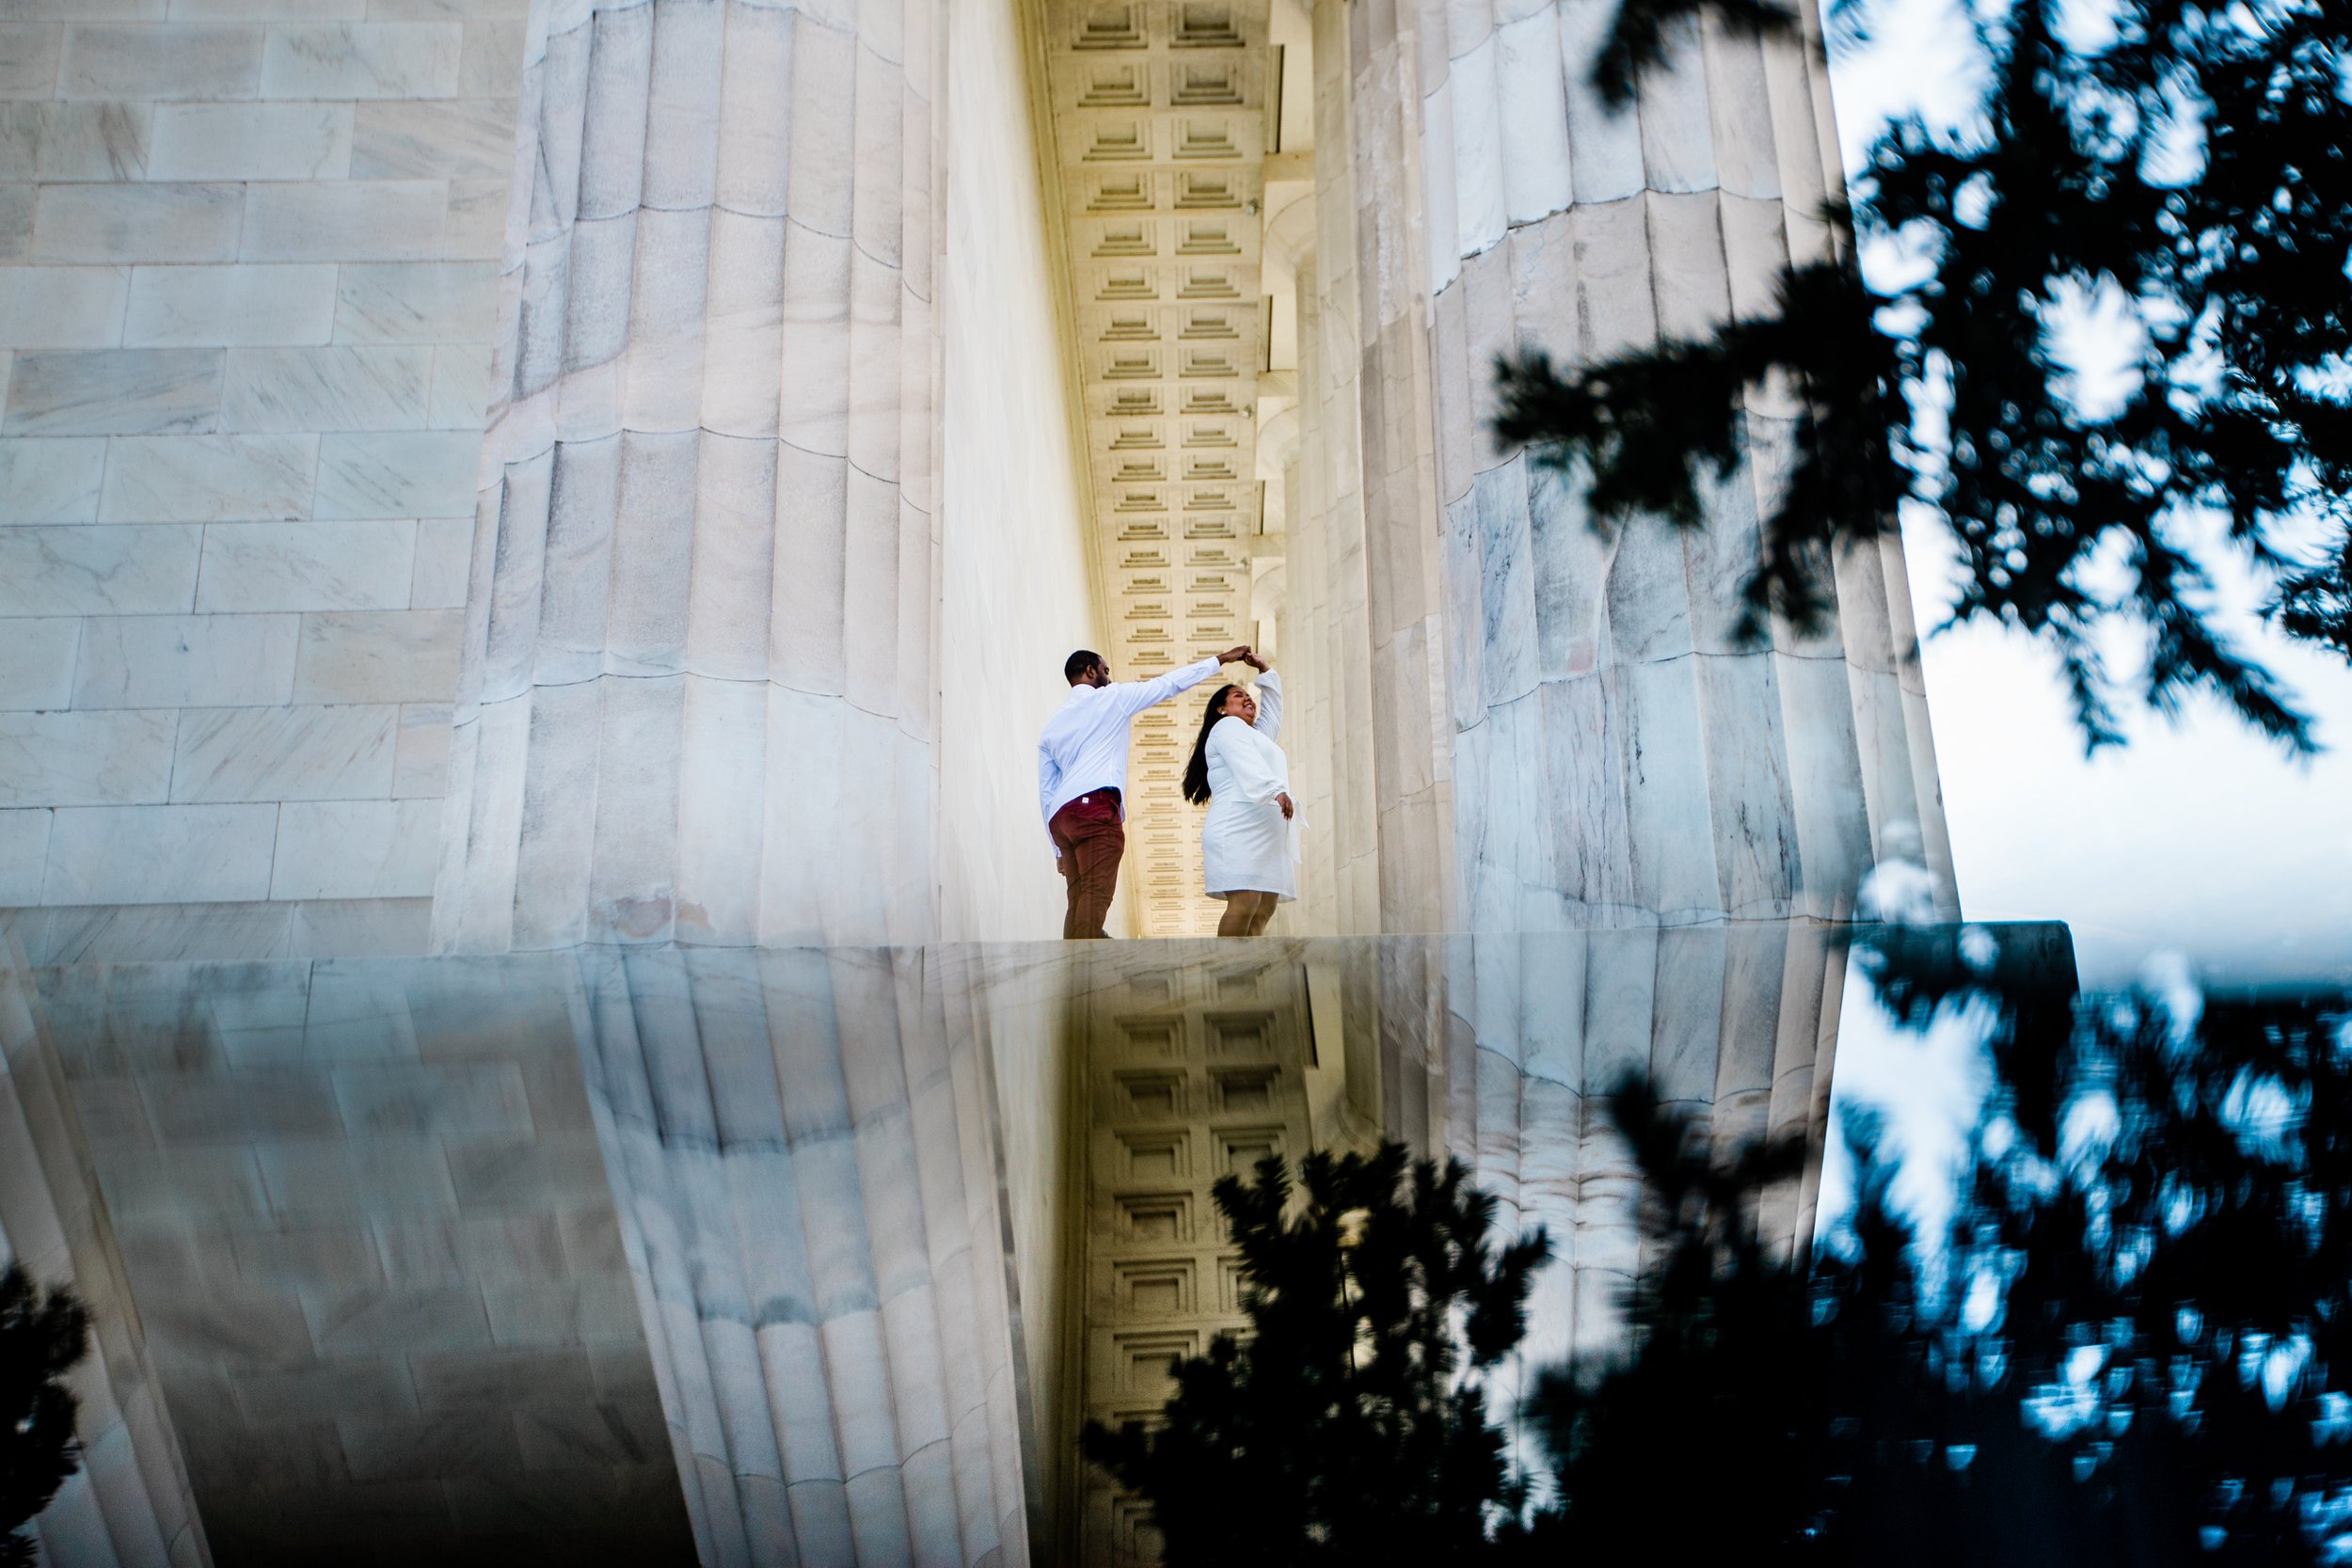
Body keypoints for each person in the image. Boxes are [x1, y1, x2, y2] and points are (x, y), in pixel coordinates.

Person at [1041, 644, 1252, 939]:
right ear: (1090, 671)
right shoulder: (1112, 698)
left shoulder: (1052, 726)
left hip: (1061, 818)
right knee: (1095, 894)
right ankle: (1085, 963)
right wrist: (1220, 660)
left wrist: (1056, 846)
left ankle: (1075, 962)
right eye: (1105, 670)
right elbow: (1168, 684)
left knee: (1076, 898)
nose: (1109, 677)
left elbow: (1046, 789)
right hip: (1095, 807)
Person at [1181, 651, 1297, 937]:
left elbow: (1272, 713)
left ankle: (1248, 976)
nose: (1248, 699)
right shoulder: (1226, 727)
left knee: (1264, 908)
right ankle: (1228, 976)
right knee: (1245, 903)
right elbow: (1245, 760)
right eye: (1237, 696)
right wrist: (1275, 790)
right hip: (1238, 827)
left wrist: (1265, 669)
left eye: (1249, 696)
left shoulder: (1255, 735)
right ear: (1221, 709)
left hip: (1265, 833)